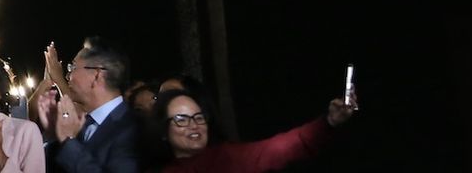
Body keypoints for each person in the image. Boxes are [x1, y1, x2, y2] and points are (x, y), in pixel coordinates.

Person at [139, 87, 356, 171]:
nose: (193, 125)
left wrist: (329, 122)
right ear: (163, 131)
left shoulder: (227, 158)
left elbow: (279, 148)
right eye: (181, 119)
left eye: (198, 117)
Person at [39, 38, 139, 173]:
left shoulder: (133, 129)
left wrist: (68, 140)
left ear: (97, 75)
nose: (68, 76)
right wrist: (54, 133)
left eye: (73, 67)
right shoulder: (83, 124)